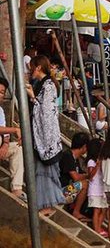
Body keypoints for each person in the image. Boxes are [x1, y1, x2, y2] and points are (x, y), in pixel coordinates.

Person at [27, 56, 64, 215]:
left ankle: (47, 206)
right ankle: (44, 205)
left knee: (46, 172)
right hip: (41, 135)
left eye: (31, 67)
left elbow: (46, 112)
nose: (29, 70)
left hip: (46, 138)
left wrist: (32, 97)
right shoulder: (43, 84)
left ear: (38, 67)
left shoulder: (48, 85)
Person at [0, 77, 24, 200]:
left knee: (18, 148)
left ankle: (16, 188)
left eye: (2, 92)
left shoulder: (0, 110)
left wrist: (5, 144)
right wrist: (15, 130)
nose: (0, 95)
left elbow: (5, 133)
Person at [60, 132, 90, 220]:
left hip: (67, 190)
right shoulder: (67, 156)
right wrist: (88, 175)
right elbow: (76, 177)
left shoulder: (75, 159)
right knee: (85, 184)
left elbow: (81, 174)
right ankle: (76, 212)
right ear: (84, 146)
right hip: (61, 192)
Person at [85, 139, 107, 235]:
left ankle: (99, 227)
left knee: (103, 210)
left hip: (102, 189)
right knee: (96, 210)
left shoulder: (102, 160)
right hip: (94, 189)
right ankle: (97, 231)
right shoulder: (91, 162)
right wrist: (97, 165)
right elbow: (90, 176)